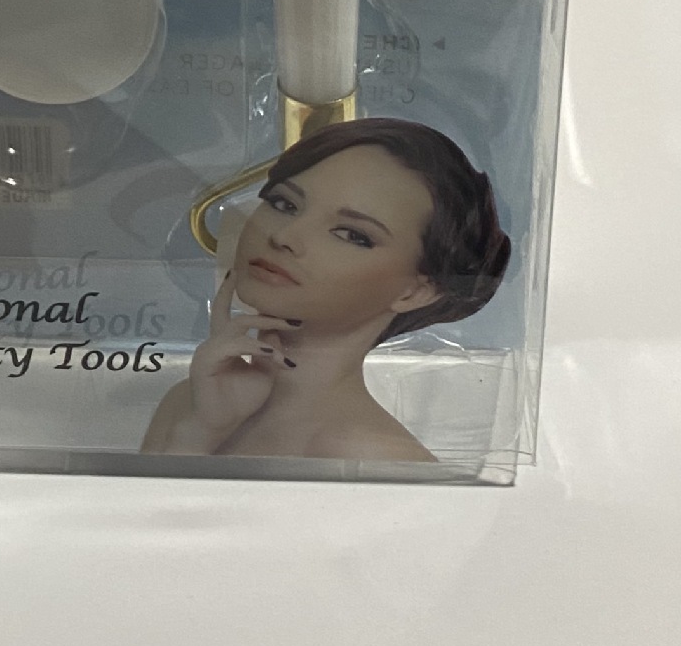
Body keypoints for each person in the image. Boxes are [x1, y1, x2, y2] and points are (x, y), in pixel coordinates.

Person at [141, 119, 511, 462]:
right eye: (284, 204)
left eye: (352, 235)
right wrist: (196, 434)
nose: (284, 237)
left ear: (415, 292)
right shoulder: (190, 406)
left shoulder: (377, 457)